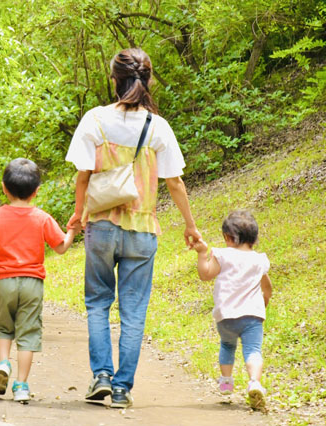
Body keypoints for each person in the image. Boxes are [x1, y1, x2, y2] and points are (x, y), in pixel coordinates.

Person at [65, 48, 201, 408]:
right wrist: (191, 227)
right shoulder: (158, 126)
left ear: (114, 80)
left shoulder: (94, 119)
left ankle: (101, 378)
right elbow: (175, 184)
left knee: (97, 302)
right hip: (142, 228)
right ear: (148, 80)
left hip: (101, 227)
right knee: (134, 311)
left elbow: (82, 176)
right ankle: (123, 388)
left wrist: (78, 215)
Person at [0, 158, 80, 403]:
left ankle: (3, 363)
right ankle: (21, 385)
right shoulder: (42, 218)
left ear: (4, 187)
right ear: (36, 191)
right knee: (28, 333)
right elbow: (61, 247)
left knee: (4, 327)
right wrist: (73, 230)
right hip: (32, 283)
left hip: (3, 281)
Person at [191, 210, 272, 411]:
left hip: (226, 316)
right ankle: (254, 382)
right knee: (253, 350)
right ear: (254, 239)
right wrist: (264, 303)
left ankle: (226, 382)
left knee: (227, 346)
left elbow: (206, 274)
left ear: (228, 237)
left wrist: (202, 253)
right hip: (253, 315)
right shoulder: (260, 259)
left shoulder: (223, 254)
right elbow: (267, 289)